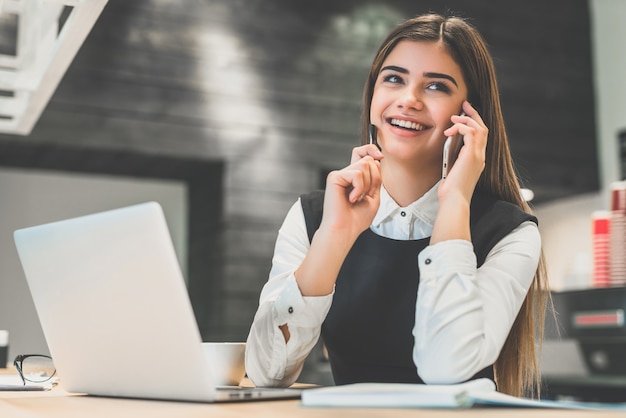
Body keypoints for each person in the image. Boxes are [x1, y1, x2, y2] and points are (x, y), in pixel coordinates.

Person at [245, 13, 550, 398]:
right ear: (373, 97)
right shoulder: (314, 218)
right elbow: (267, 373)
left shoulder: (510, 232)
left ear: (470, 116)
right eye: (394, 79)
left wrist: (455, 201)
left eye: (436, 86)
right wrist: (334, 238)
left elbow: (447, 369)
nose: (409, 100)